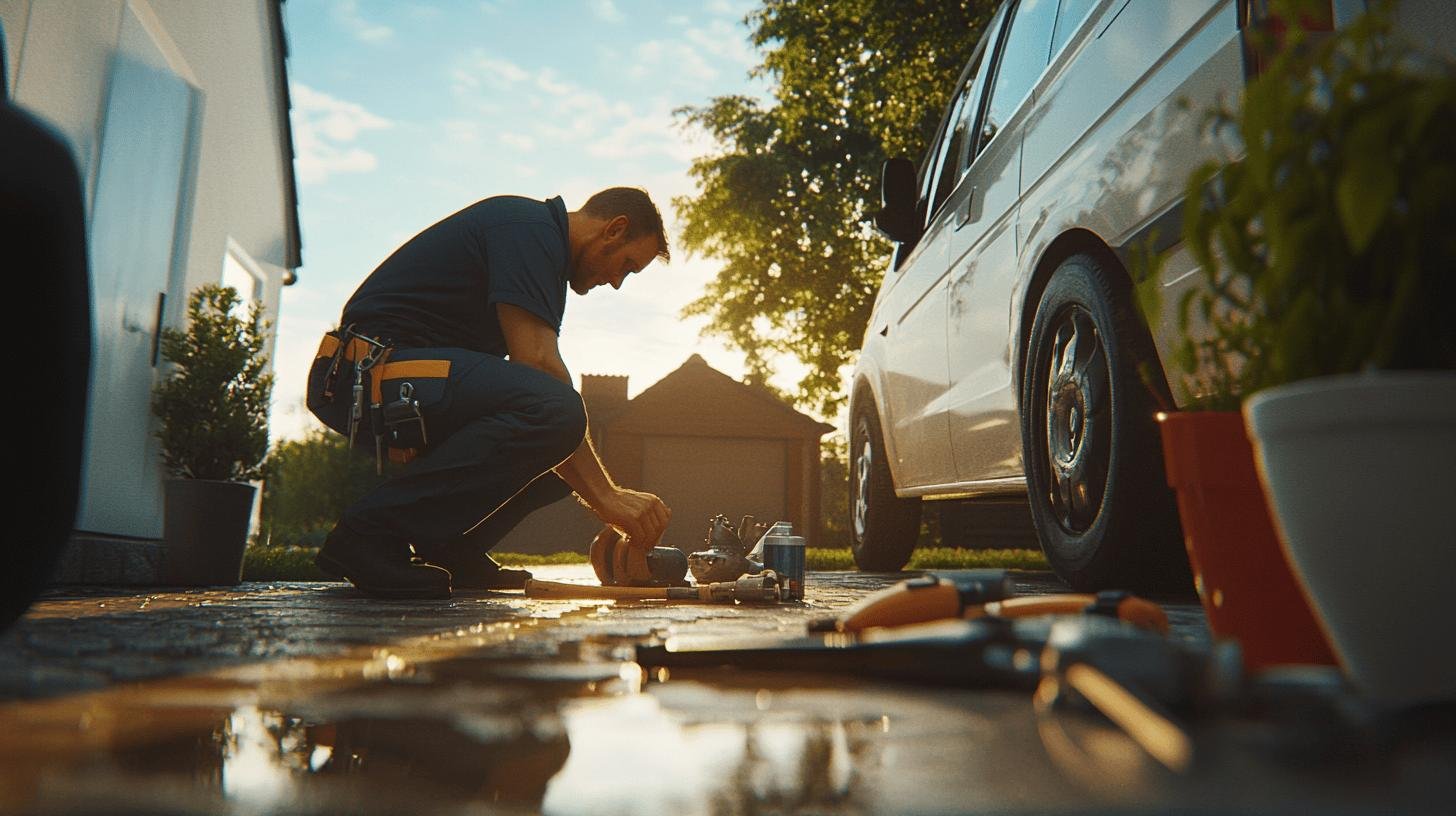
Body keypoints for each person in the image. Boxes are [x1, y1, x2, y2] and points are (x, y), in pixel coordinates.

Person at [305, 188, 672, 599]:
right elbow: (538, 364)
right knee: (558, 415)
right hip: (366, 371)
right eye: (626, 265)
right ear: (614, 229)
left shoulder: (541, 248)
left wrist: (600, 488)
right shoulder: (529, 228)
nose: (618, 283)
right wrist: (608, 497)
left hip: (407, 379)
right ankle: (366, 535)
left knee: (557, 458)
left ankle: (447, 546)